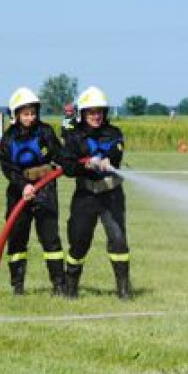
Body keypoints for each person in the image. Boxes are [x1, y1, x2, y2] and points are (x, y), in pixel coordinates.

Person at [60, 86, 132, 300]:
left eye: (99, 111)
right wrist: (85, 165)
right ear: (82, 113)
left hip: (111, 194)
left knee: (118, 240)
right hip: (86, 195)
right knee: (79, 241)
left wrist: (109, 159)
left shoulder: (114, 133)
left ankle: (123, 288)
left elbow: (117, 150)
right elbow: (67, 166)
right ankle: (71, 287)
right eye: (91, 112)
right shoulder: (74, 136)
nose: (96, 116)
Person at [0, 87, 66, 295]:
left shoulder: (45, 132)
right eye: (26, 114)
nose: (30, 118)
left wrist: (67, 162)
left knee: (50, 237)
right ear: (16, 115)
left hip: (45, 188)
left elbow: (59, 154)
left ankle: (59, 285)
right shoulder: (8, 139)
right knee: (17, 237)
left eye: (33, 113)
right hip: (19, 190)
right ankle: (17, 286)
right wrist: (23, 186)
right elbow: (7, 168)